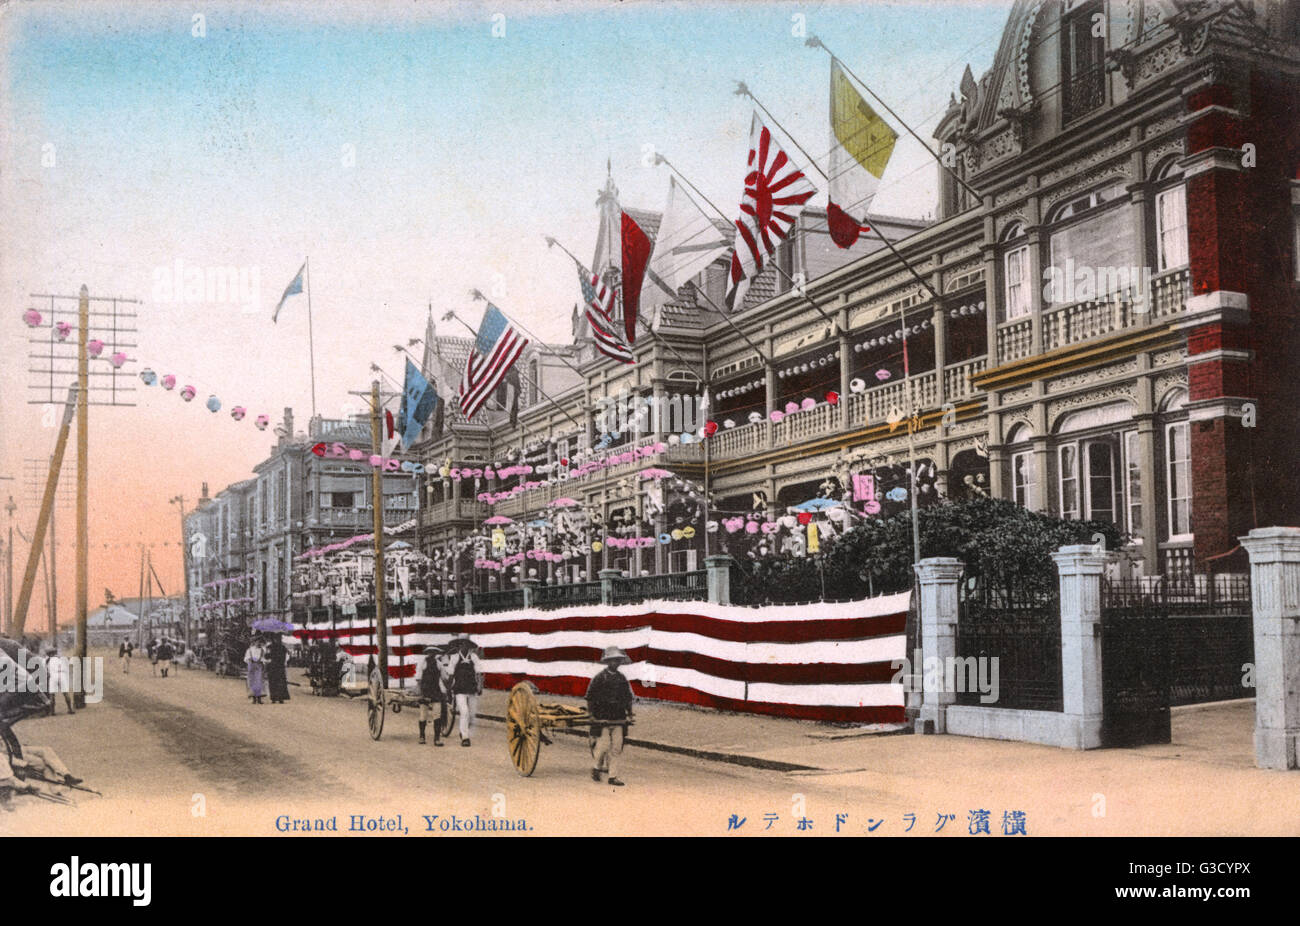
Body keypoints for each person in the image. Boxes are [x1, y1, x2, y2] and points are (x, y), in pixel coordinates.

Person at [585, 646, 634, 787]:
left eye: (618, 660)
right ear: (608, 662)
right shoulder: (599, 678)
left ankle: (613, 777)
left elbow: (628, 698)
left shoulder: (622, 678)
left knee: (617, 748)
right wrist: (591, 715)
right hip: (602, 718)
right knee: (603, 745)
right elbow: (590, 697)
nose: (615, 663)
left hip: (618, 717)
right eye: (613, 660)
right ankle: (596, 768)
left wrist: (629, 714)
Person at [445, 635, 482, 747]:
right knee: (464, 712)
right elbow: (451, 675)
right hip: (459, 688)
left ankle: (464, 731)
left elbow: (479, 673)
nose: (463, 646)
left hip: (471, 688)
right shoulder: (455, 657)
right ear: (458, 646)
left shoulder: (474, 657)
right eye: (461, 644)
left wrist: (480, 686)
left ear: (469, 646)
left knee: (471, 714)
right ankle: (465, 737)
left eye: (465, 644)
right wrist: (448, 689)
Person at [416, 645, 449, 746]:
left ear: (436, 654)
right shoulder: (422, 662)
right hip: (425, 690)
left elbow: (444, 677)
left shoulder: (439, 664)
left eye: (434, 652)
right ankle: (422, 736)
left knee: (437, 714)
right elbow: (418, 678)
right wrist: (420, 691)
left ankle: (437, 739)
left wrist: (448, 685)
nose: (432, 654)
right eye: (430, 652)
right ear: (427, 653)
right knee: (423, 715)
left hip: (435, 691)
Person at [45, 648, 74, 716]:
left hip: (53, 675)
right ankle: (70, 709)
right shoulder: (60, 659)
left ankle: (52, 711)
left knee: (52, 694)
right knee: (65, 693)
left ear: (50, 654)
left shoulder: (48, 661)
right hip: (62, 675)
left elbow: (46, 670)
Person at [265, 636, 290, 704]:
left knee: (274, 682)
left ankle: (275, 698)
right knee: (279, 682)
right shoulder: (283, 647)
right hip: (279, 667)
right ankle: (279, 698)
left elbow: (266, 656)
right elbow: (287, 658)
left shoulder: (270, 647)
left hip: (274, 666)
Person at [244, 635, 267, 704]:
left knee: (259, 682)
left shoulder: (262, 650)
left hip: (259, 666)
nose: (259, 643)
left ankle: (259, 698)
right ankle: (254, 699)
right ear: (254, 642)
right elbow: (246, 658)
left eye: (260, 642)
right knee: (252, 681)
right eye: (257, 642)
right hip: (252, 666)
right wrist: (249, 661)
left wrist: (264, 662)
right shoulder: (250, 650)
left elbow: (263, 658)